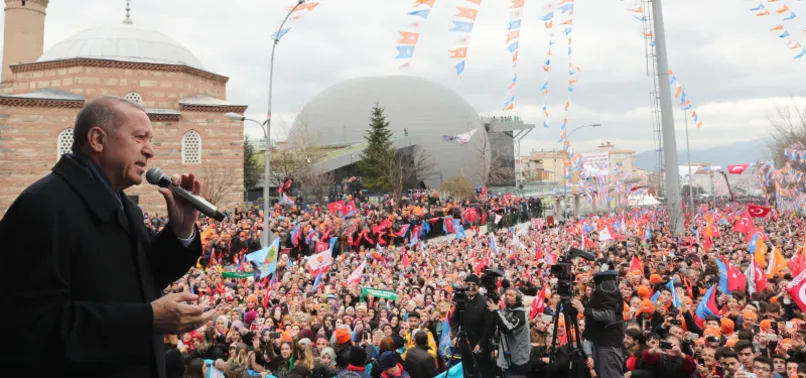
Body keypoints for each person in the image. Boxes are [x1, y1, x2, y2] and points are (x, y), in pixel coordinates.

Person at [0, 96, 214, 378]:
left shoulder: (124, 206)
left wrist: (181, 229)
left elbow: (143, 276)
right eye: (139, 137)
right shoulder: (43, 207)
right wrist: (146, 319)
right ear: (98, 139)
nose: (149, 151)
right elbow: (32, 327)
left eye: (150, 140)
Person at [575, 270, 625, 378]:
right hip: (602, 342)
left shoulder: (607, 289)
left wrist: (584, 310)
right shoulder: (608, 289)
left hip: (608, 344)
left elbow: (609, 315)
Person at [450, 274, 494, 377]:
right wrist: (455, 335)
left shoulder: (484, 302)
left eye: (473, 285)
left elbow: (488, 326)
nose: (471, 287)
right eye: (468, 284)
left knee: (482, 372)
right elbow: (455, 320)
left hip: (480, 344)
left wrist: (480, 343)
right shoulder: (461, 300)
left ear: (478, 286)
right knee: (467, 371)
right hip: (465, 343)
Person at [488, 288, 531, 378]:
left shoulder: (520, 314)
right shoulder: (506, 310)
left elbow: (507, 329)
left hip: (517, 361)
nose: (507, 297)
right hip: (507, 357)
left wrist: (496, 311)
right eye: (506, 294)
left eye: (511, 295)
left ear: (518, 299)